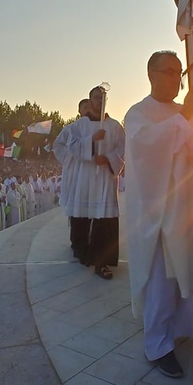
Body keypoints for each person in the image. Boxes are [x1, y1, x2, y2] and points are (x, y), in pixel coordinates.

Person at [123, 50, 193, 378]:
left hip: (186, 211)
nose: (176, 78)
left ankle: (180, 328)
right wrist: (187, 112)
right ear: (150, 74)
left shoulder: (186, 114)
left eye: (179, 72)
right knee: (161, 280)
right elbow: (148, 152)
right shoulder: (137, 113)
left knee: (187, 274)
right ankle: (157, 344)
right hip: (158, 214)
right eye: (169, 71)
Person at [65, 85, 125, 279]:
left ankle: (103, 262)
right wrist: (92, 141)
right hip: (86, 177)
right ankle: (84, 252)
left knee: (105, 220)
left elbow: (123, 149)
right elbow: (72, 146)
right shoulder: (79, 126)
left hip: (105, 179)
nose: (99, 101)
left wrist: (107, 158)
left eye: (102, 98)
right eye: (96, 97)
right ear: (90, 101)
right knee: (84, 217)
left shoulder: (115, 126)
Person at [54, 98, 91, 262]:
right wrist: (70, 157)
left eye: (90, 105)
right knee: (76, 209)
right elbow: (58, 145)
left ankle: (87, 240)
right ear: (79, 111)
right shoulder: (71, 129)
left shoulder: (96, 128)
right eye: (85, 106)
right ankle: (76, 242)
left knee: (89, 210)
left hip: (90, 174)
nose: (88, 108)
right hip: (76, 173)